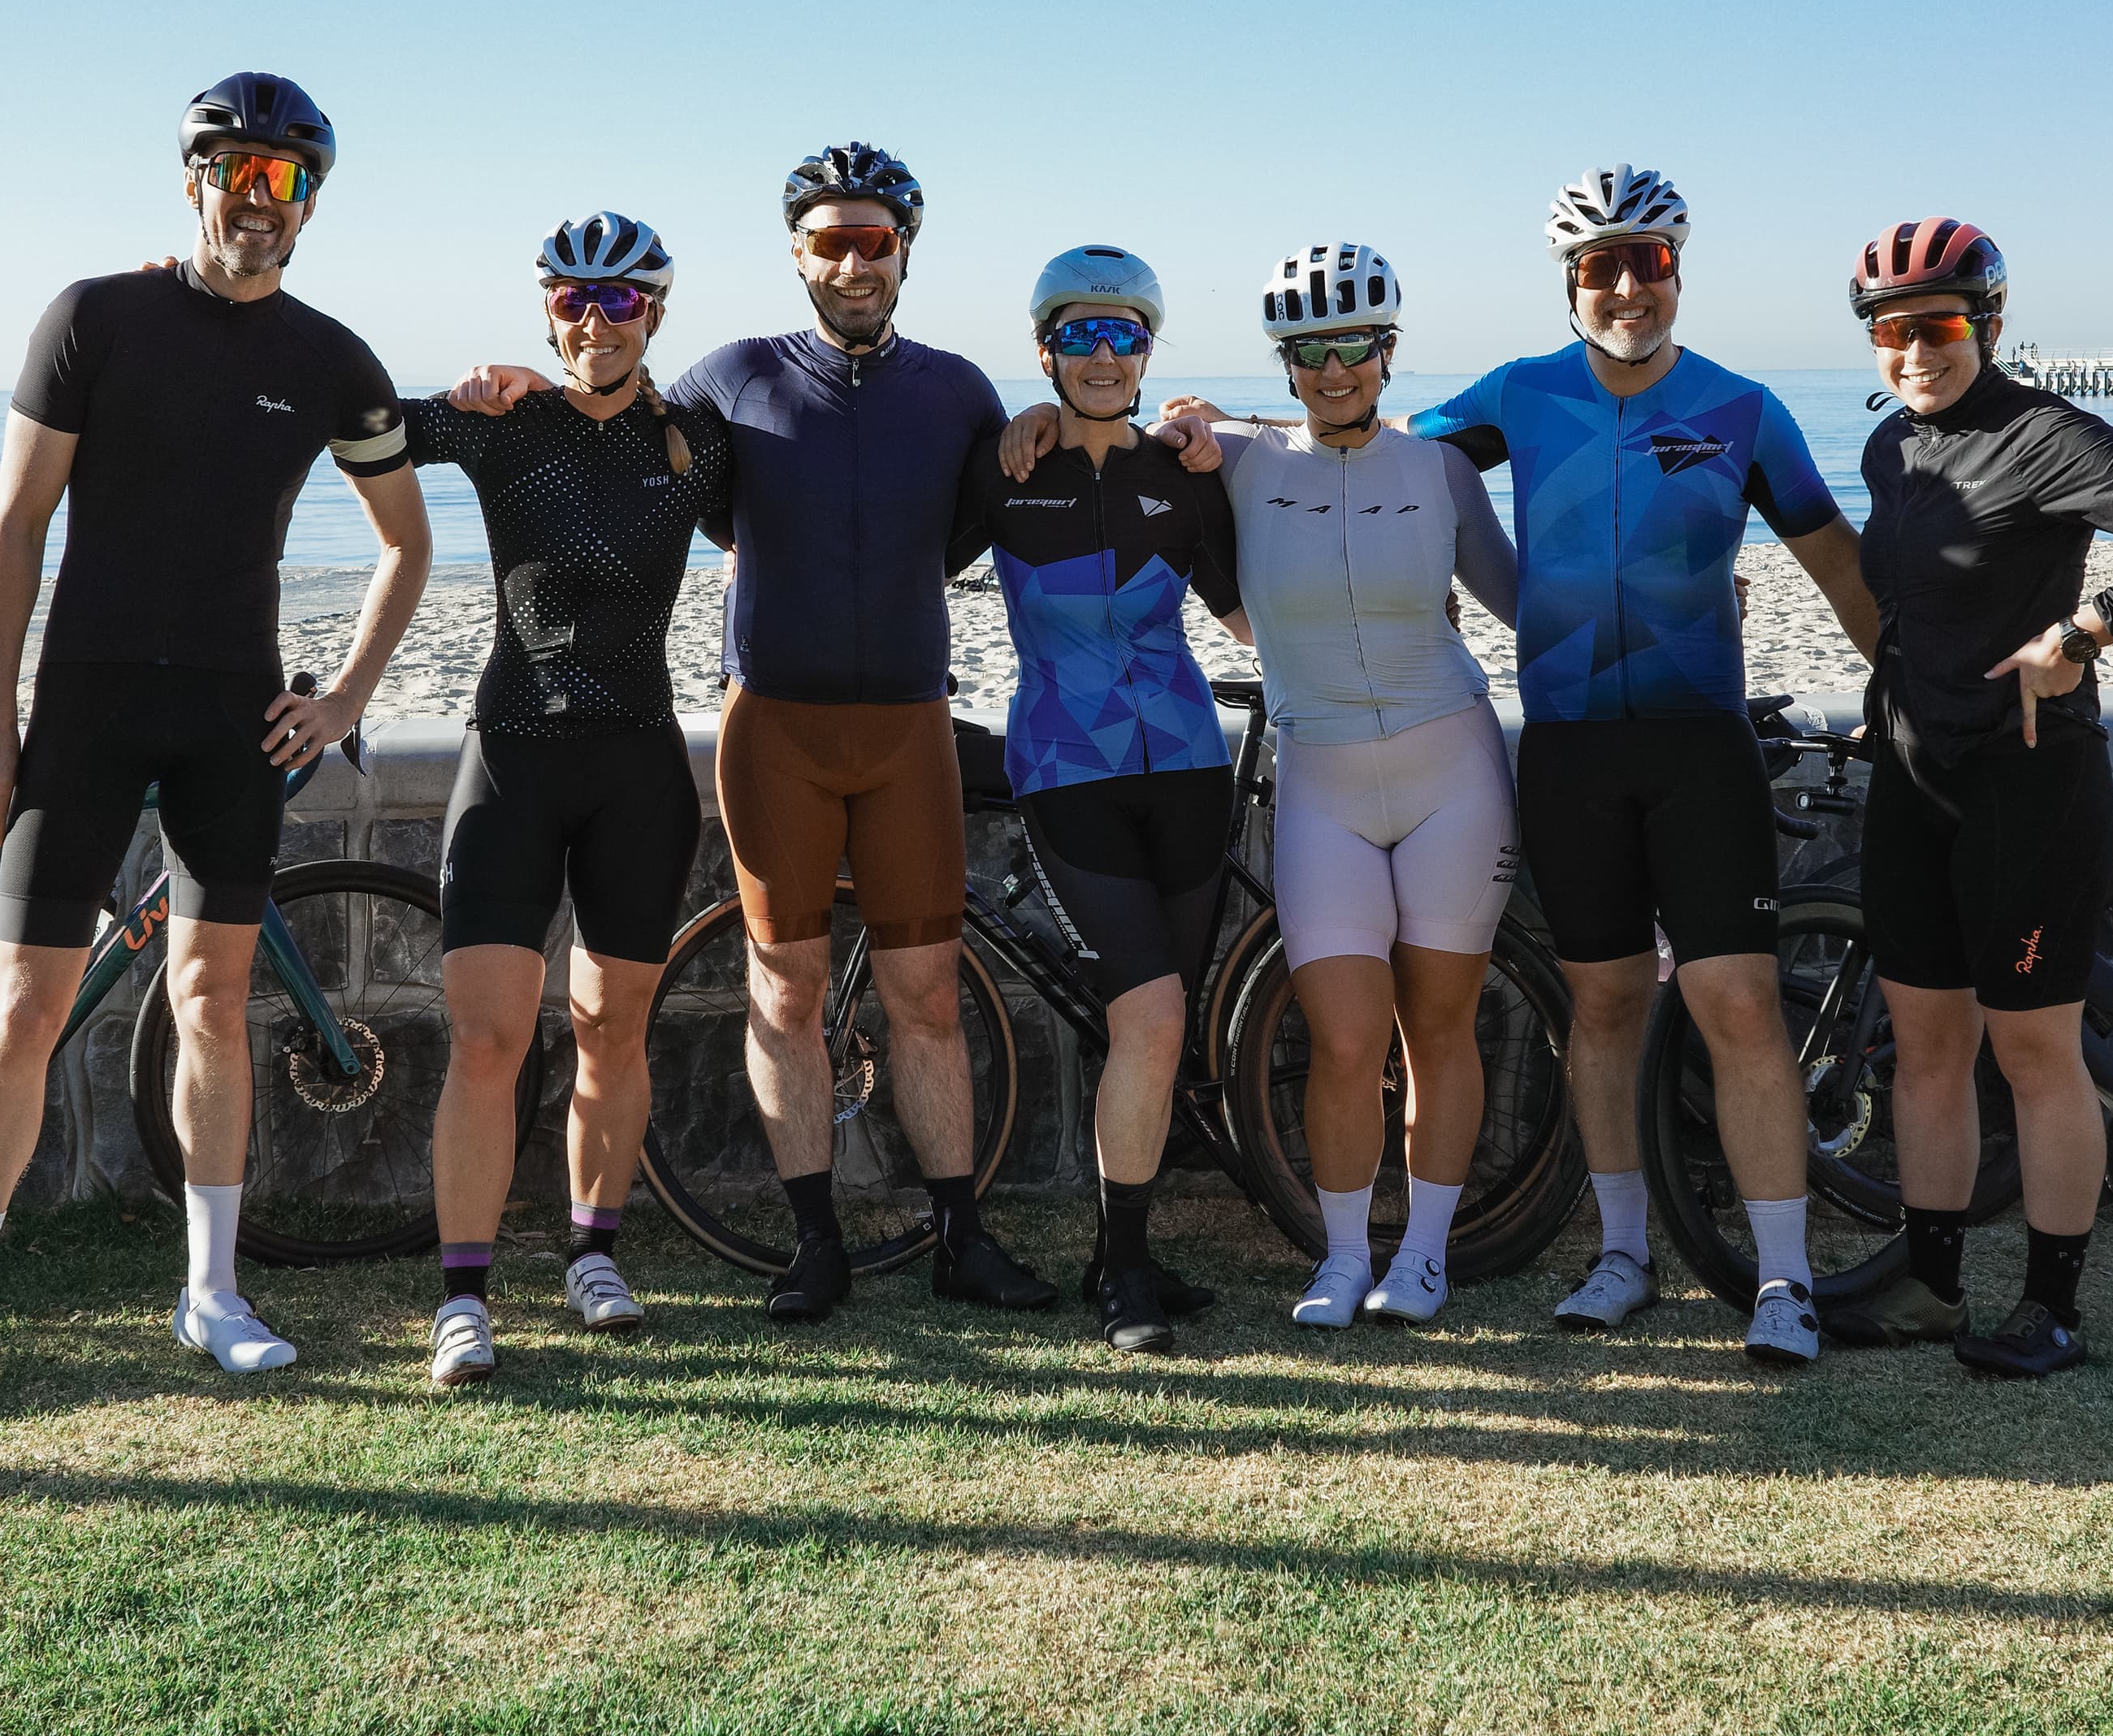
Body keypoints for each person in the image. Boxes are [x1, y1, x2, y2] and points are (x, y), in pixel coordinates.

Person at [1139, 172, 1877, 1366]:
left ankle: (1784, 1279)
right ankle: (1624, 1257)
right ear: (1570, 282)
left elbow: (1840, 563)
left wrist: (1900, 684)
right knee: (1603, 1003)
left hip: (1699, 743)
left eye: (1648, 262)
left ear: (1678, 270)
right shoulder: (1517, 398)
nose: (1627, 285)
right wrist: (1209, 427)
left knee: (1735, 1003)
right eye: (1601, 267)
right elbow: (1358, 448)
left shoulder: (1746, 410)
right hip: (1573, 748)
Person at [0, 72, 431, 1424]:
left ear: (310, 204)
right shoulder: (93, 318)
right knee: (23, 1014)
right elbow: (15, 528)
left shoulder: (331, 359)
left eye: (287, 179)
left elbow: (409, 541)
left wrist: (342, 698)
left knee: (214, 1008)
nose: (259, 197)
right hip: (91, 708)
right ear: (194, 179)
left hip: (232, 719)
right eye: (237, 169)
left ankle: (212, 1293)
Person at [453, 142, 1054, 1323]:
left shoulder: (959, 393)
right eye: (826, 239)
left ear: (904, 249)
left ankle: (959, 1237)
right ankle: (815, 1243)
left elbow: (979, 521)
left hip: (909, 729)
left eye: (871, 239)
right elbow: (612, 427)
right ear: (795, 253)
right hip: (773, 725)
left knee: (926, 992)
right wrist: (518, 389)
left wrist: (1152, 422)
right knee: (785, 990)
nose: (849, 260)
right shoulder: (728, 379)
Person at [1826, 218, 2113, 1376]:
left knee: (2033, 1051)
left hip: (2029, 783)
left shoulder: (2042, 435)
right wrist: (1888, 696)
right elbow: (1918, 608)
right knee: (1925, 1047)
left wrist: (2087, 629)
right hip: (1917, 778)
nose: (1916, 351)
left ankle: (2052, 1309)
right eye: (1893, 331)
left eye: (1942, 327)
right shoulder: (1889, 454)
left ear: (1989, 325)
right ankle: (1932, 1288)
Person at [402, 213, 732, 1387]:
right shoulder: (508, 425)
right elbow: (362, 430)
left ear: (656, 311)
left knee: (612, 1029)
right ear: (547, 307)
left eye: (623, 301)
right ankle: (464, 1295)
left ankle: (596, 1255)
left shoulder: (696, 442)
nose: (596, 321)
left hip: (638, 768)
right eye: (573, 300)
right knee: (489, 1038)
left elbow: (823, 508)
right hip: (515, 759)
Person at [1181, 245, 1525, 1328]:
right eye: (1310, 352)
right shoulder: (1235, 459)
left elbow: (1530, 607)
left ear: (1388, 352)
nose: (1335, 372)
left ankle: (1420, 1258)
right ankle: (1339, 1258)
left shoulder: (1441, 473)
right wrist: (1156, 423)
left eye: (1355, 349)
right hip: (1322, 775)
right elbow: (1132, 448)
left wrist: (1687, 600)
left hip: (1451, 770)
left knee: (1438, 1030)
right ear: (1285, 362)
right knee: (1340, 1038)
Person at [946, 245, 1248, 1353]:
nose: (1107, 355)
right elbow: (895, 565)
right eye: (1082, 335)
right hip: (1066, 770)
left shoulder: (1187, 472)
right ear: (1047, 349)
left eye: (1127, 335)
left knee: (1159, 1033)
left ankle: (1132, 1251)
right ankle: (1121, 1277)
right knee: (1152, 1014)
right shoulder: (1008, 467)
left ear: (1150, 351)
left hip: (1187, 769)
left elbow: (1249, 616)